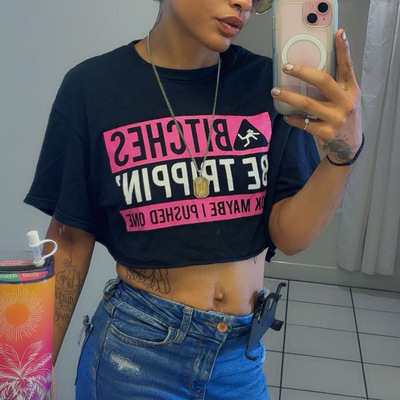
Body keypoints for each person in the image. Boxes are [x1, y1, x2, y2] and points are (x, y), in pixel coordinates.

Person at [27, 0, 363, 399]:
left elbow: (289, 236)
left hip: (238, 359)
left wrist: (343, 154)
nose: (245, 4)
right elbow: (68, 240)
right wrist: (31, 375)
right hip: (135, 355)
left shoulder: (271, 87)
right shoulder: (92, 87)